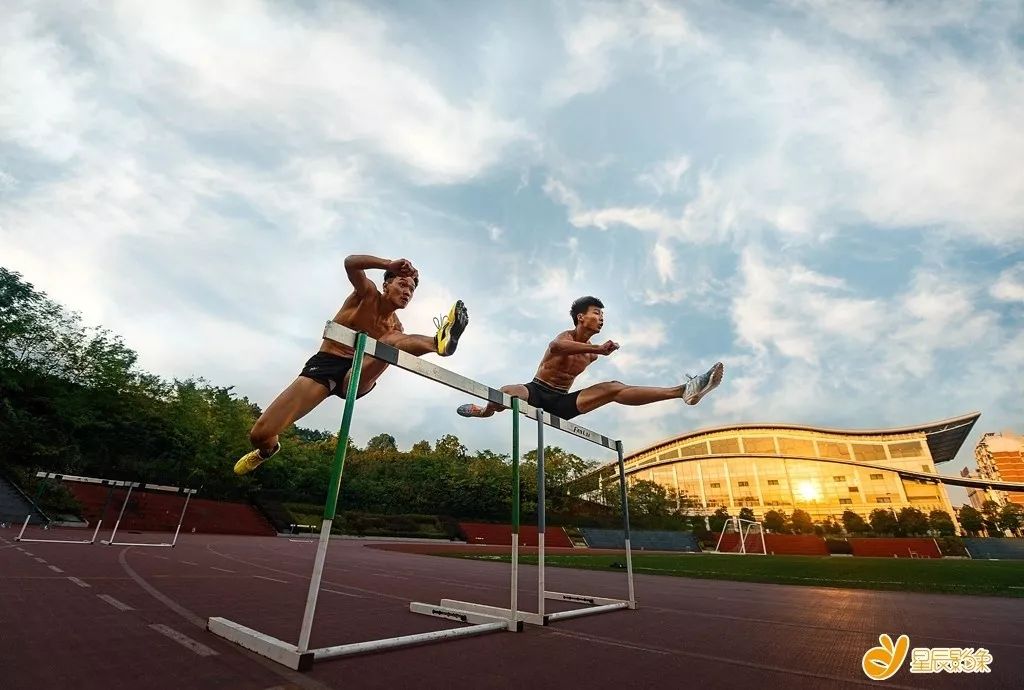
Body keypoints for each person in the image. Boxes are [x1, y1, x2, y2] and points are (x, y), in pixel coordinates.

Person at [233, 254, 469, 475]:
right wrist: (388, 264)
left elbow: (394, 343)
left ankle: (439, 342)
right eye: (402, 284)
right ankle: (267, 451)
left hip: (359, 373)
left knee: (390, 342)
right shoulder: (366, 294)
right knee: (261, 433)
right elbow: (351, 263)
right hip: (326, 366)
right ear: (386, 285)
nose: (407, 291)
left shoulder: (396, 328)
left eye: (412, 289)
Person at [457, 295, 722, 421]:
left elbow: (586, 359)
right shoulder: (567, 336)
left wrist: (595, 352)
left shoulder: (592, 355)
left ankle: (683, 391)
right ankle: (484, 411)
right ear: (581, 317)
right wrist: (597, 350)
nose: (601, 319)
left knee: (613, 388)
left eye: (604, 316)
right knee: (505, 392)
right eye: (597, 313)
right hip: (536, 391)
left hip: (562, 401)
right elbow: (557, 347)